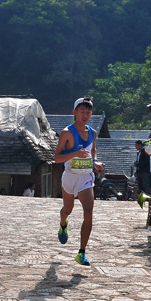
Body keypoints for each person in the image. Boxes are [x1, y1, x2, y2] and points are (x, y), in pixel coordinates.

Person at [54, 97, 103, 266]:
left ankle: (81, 252)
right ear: (74, 113)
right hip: (70, 176)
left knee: (88, 211)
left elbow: (92, 151)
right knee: (68, 209)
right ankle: (63, 223)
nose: (85, 115)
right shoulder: (66, 132)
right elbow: (57, 158)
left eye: (88, 112)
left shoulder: (93, 133)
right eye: (82, 112)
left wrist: (95, 162)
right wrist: (74, 154)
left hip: (86, 178)